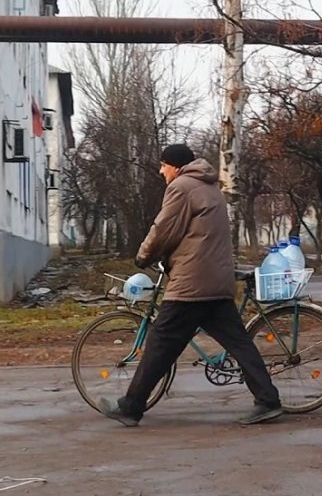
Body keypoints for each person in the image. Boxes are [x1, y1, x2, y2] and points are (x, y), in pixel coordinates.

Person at [97, 143, 283, 427]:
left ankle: (131, 406)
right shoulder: (211, 188)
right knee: (240, 343)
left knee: (160, 343)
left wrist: (143, 256)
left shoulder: (182, 187)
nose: (161, 171)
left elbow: (164, 228)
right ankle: (268, 400)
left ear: (175, 165)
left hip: (192, 283)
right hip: (216, 281)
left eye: (163, 165)